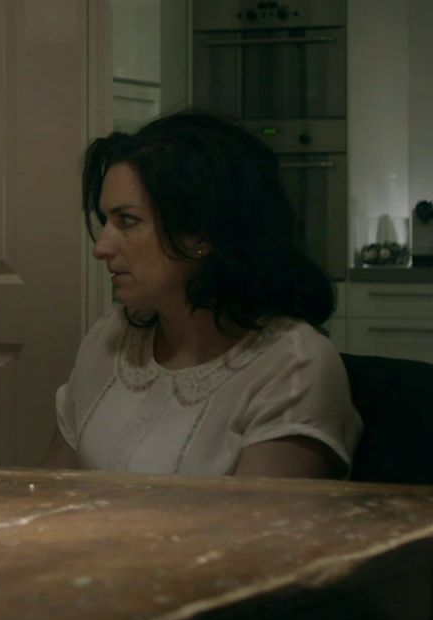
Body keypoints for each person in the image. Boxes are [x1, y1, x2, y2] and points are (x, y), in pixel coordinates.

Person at [45, 110, 360, 479]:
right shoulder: (110, 336)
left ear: (200, 234)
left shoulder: (293, 367)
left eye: (127, 221)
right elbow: (52, 489)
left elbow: (260, 517)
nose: (101, 248)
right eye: (105, 222)